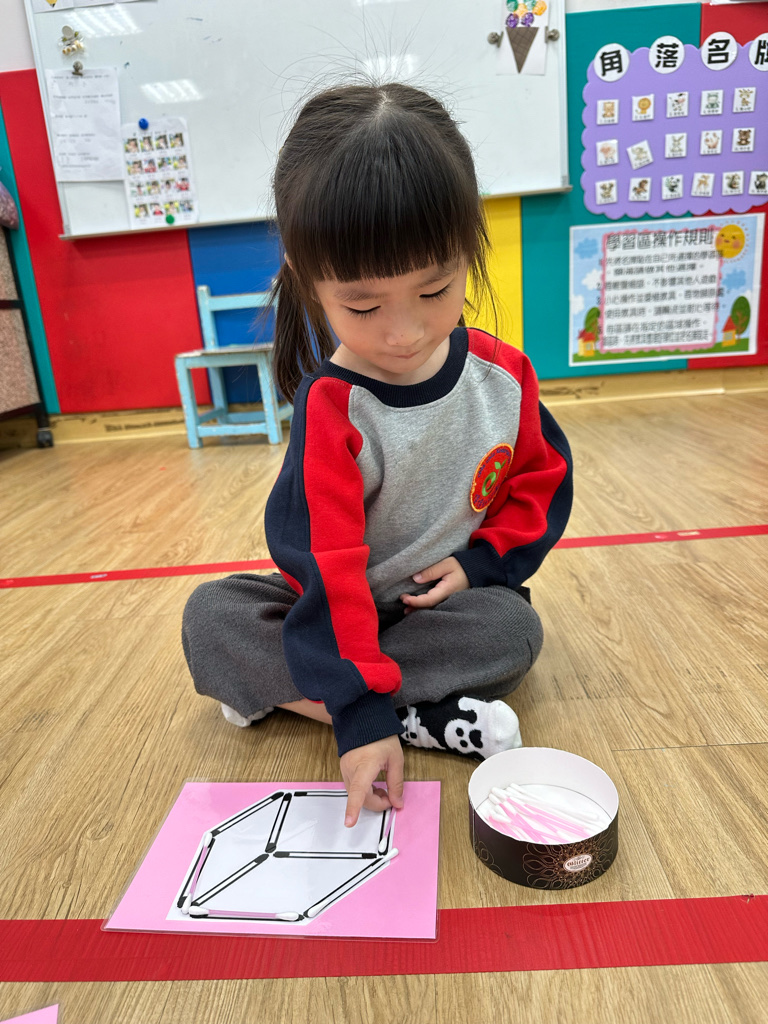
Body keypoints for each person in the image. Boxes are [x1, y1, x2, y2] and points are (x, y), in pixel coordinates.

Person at [182, 83, 573, 829]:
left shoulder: (503, 377)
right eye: (362, 306)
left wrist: (481, 564)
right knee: (212, 617)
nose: (403, 332)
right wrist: (362, 718)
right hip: (334, 611)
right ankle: (408, 719)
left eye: (435, 289)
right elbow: (325, 567)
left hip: (437, 610)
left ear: (469, 250)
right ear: (306, 278)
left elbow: (541, 480)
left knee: (513, 631)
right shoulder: (333, 408)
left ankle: (313, 699)